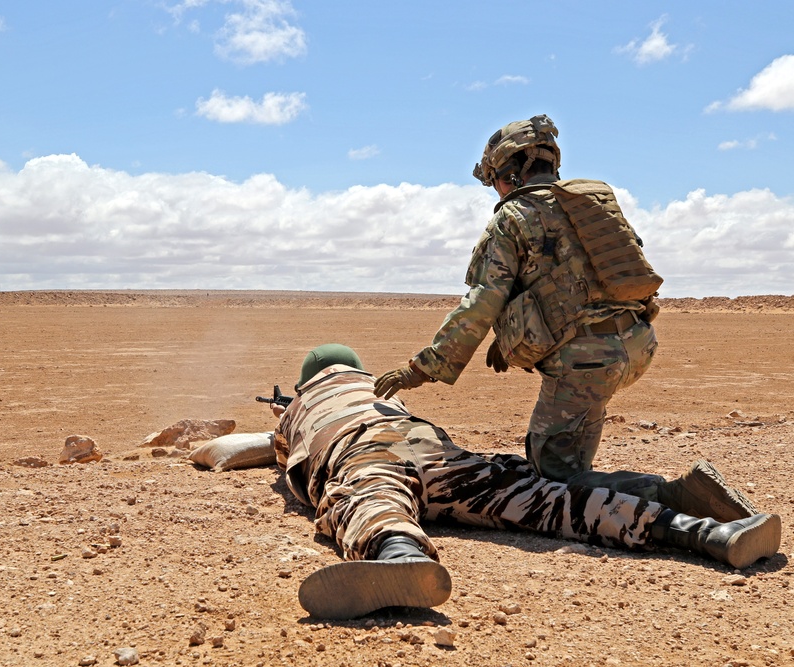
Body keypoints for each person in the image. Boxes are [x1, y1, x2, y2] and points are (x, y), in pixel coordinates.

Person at [274, 344, 781, 620]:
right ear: (356, 369)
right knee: (552, 501)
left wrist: (283, 417)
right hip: (435, 452)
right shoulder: (378, 390)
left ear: (303, 383)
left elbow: (257, 451)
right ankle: (704, 532)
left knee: (371, 497)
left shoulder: (300, 404)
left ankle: (399, 557)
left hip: (365, 453)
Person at [374, 114, 688, 506]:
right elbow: (579, 284)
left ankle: (674, 495)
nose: (497, 190)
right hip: (635, 344)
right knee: (569, 448)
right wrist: (509, 339)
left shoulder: (513, 216)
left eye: (495, 180)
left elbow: (481, 304)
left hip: (584, 362)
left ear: (511, 173)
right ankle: (608, 487)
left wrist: (421, 368)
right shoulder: (584, 205)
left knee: (554, 480)